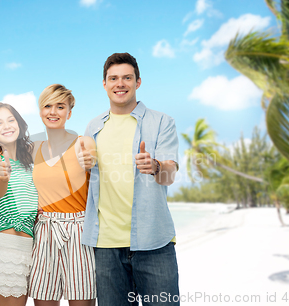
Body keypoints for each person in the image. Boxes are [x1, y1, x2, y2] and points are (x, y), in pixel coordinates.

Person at [82, 52, 180, 306]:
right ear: (104, 84)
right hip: (106, 246)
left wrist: (155, 165)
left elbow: (169, 174)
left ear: (138, 82)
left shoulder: (162, 122)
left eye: (127, 77)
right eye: (113, 78)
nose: (120, 83)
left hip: (154, 242)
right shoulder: (94, 127)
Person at [28, 84, 97, 306]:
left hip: (79, 231)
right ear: (40, 111)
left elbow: (94, 164)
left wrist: (91, 163)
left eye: (60, 106)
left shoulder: (83, 143)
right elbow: (0, 151)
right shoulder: (32, 148)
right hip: (44, 230)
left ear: (69, 112)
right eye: (47, 106)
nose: (53, 112)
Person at [0, 103, 38, 306]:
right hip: (7, 254)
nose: (6, 126)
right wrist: (2, 177)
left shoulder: (29, 162)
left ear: (19, 125)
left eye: (10, 120)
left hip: (32, 254)